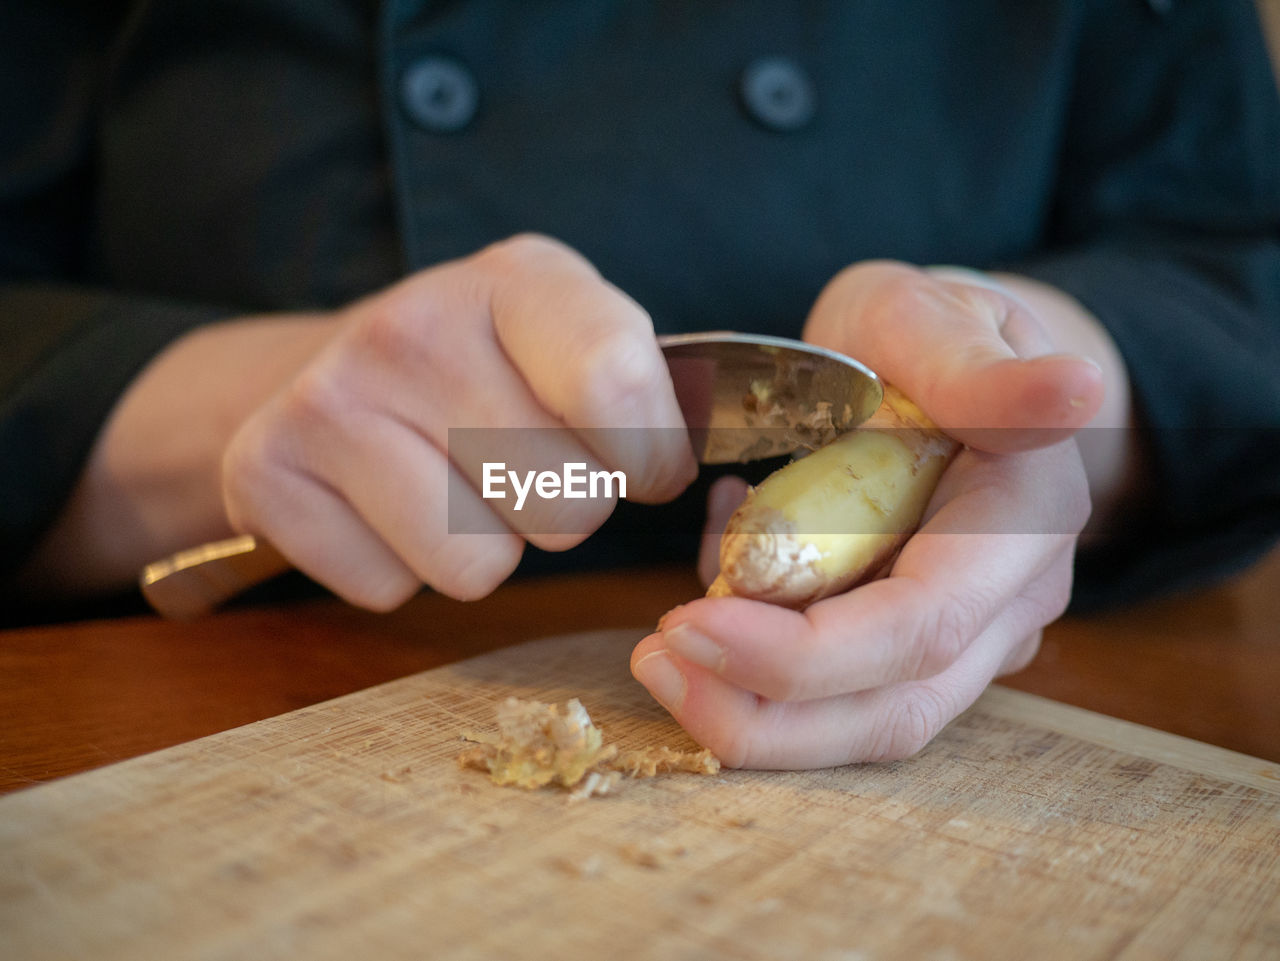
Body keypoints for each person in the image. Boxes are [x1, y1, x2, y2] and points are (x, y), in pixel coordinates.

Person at [2, 1, 1278, 769]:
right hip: (255, 665)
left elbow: (1232, 261)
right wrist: (258, 402)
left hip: (1045, 683)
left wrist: (1010, 382)